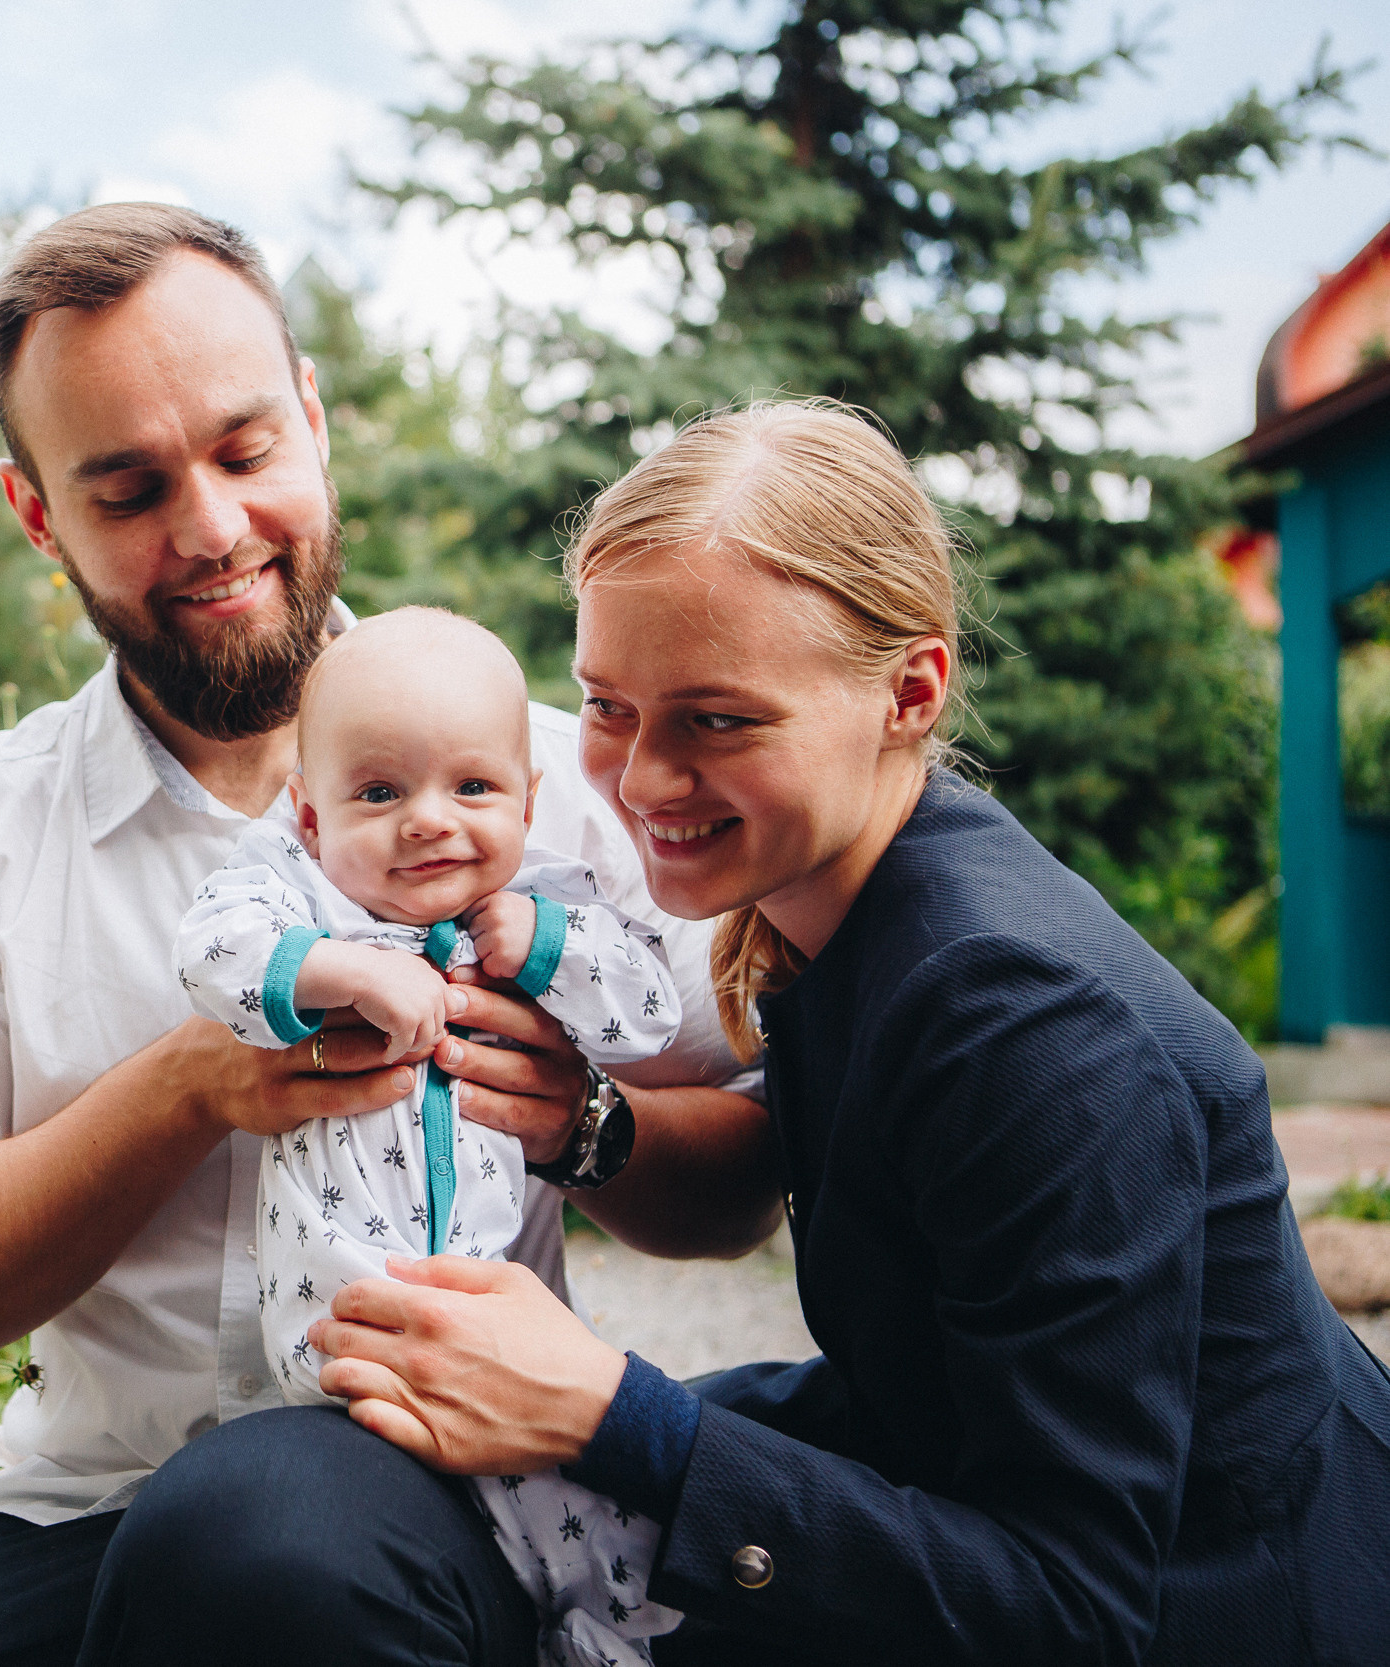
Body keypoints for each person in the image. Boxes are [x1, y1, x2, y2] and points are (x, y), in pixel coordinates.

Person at [0, 204, 781, 1664]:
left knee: (263, 1542)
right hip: (92, 1503)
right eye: (127, 489)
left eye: (245, 452)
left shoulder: (563, 790)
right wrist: (188, 1085)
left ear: (314, 424)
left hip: (456, 1484)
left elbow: (748, 1176)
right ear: (36, 513)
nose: (209, 528)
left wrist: (589, 1124)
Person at [293, 400, 1390, 1665]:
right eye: (606, 706)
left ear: (908, 691)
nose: (641, 779)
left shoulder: (1021, 1026)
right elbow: (926, 1383)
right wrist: (580, 1124)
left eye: (718, 718)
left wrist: (609, 1411)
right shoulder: (835, 910)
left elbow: (1077, 1608)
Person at [176, 605, 685, 1666]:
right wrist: (340, 969)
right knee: (336, 1536)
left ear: (526, 799)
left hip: (495, 1332)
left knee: (589, 1513)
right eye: (377, 792)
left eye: (472, 787)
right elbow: (211, 953)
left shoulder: (547, 897)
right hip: (343, 1333)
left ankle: (599, 1635)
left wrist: (545, 945)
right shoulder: (295, 895)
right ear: (309, 815)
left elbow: (646, 1012)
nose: (428, 821)